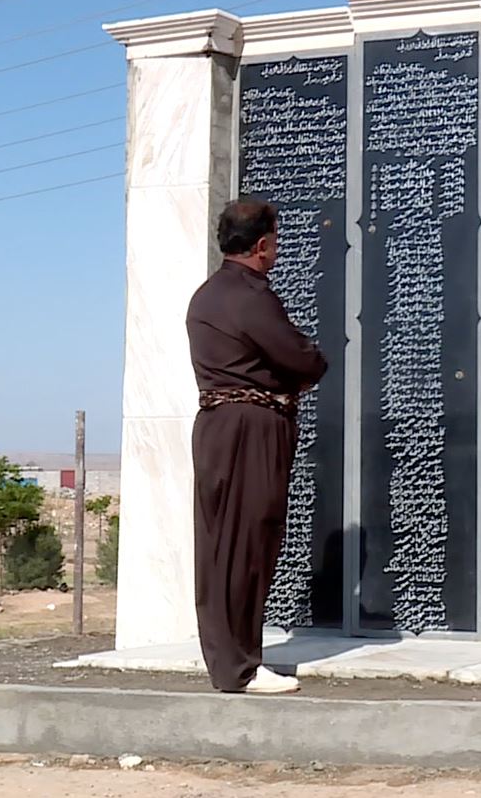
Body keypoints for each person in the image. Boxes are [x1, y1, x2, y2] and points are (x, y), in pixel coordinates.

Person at [185, 197, 328, 694]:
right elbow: (302, 358)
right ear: (263, 245)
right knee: (246, 544)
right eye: (276, 241)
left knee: (225, 544)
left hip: (222, 427)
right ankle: (239, 669)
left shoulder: (207, 295)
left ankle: (233, 661)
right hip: (251, 426)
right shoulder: (250, 296)